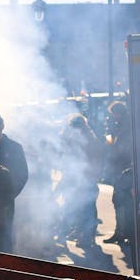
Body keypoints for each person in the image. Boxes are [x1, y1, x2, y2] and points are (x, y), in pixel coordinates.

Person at [57, 113, 102, 248]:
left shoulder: (88, 140)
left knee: (82, 209)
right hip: (80, 179)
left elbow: (93, 161)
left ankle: (85, 237)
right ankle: (83, 236)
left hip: (84, 180)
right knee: (83, 209)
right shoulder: (87, 138)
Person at [0, 113, 27, 252]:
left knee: (6, 236)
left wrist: (10, 194)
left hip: (6, 202)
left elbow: (23, 174)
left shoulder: (14, 148)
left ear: (2, 126)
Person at [105, 101, 134, 245]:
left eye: (114, 114)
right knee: (120, 202)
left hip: (125, 170)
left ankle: (124, 233)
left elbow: (123, 149)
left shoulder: (127, 127)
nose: (113, 117)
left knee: (122, 202)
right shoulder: (121, 126)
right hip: (121, 169)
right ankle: (122, 232)